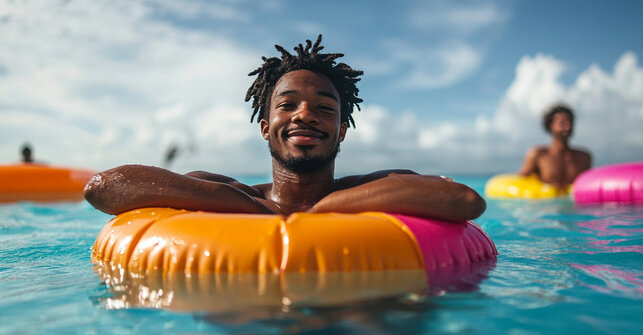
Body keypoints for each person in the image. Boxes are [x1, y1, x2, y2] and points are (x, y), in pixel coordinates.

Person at [84, 35, 485, 222]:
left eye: (324, 108)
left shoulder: (367, 187)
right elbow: (103, 188)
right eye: (287, 105)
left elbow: (465, 200)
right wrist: (258, 210)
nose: (304, 115)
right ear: (265, 126)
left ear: (342, 131)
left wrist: (321, 209)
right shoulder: (233, 193)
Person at [518, 104, 591, 191]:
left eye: (570, 122)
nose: (568, 126)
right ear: (550, 126)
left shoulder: (583, 157)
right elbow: (520, 183)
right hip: (547, 203)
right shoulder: (538, 155)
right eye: (562, 123)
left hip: (574, 204)